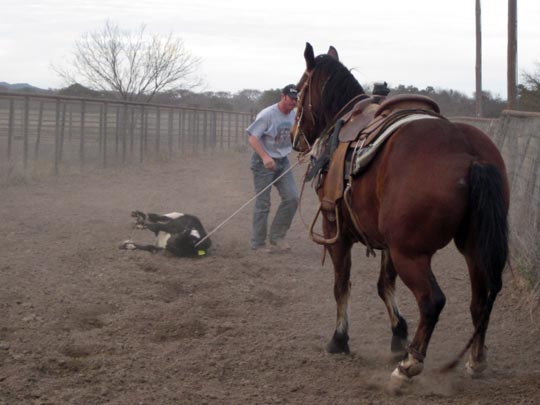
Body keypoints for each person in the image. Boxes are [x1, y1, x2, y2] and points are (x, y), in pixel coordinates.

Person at [246, 84, 299, 252]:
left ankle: (277, 236)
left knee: (292, 198)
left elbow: (295, 135)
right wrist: (265, 157)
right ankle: (258, 243)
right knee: (263, 203)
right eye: (291, 99)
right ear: (283, 96)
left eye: (295, 100)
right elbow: (253, 139)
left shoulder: (294, 115)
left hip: (283, 161)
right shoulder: (267, 115)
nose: (293, 103)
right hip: (264, 163)